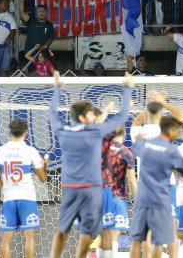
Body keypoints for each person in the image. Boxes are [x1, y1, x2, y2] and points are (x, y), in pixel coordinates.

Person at [48, 71, 133, 258]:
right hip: (92, 189)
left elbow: (52, 113)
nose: (94, 118)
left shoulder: (63, 130)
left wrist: (57, 89)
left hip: (70, 187)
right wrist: (127, 88)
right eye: (91, 115)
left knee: (62, 229)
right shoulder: (95, 131)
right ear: (83, 118)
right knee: (87, 232)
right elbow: (123, 116)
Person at [129, 114, 183, 258]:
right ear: (169, 131)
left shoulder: (141, 139)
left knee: (142, 236)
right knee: (167, 233)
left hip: (144, 191)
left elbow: (136, 123)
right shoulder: (170, 149)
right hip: (165, 191)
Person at [0, 118, 48, 258]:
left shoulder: (0, 151)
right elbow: (43, 179)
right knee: (29, 238)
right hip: (27, 198)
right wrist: (44, 165)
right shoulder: (31, 151)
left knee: (6, 240)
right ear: (26, 133)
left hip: (9, 198)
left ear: (9, 133)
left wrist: (4, 190)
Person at [99, 122, 137, 258]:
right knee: (114, 236)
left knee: (103, 236)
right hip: (117, 196)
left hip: (99, 195)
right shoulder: (127, 152)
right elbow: (132, 180)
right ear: (124, 134)